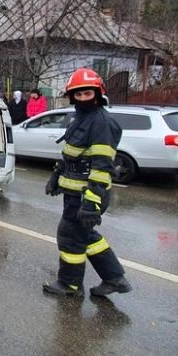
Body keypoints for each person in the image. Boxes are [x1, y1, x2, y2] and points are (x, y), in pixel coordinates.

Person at [43, 68, 132, 298]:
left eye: (87, 94)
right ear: (72, 96)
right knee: (85, 235)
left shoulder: (102, 122)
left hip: (89, 194)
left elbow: (103, 167)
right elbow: (72, 153)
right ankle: (115, 279)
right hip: (75, 192)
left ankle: (69, 284)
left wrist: (91, 202)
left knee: (70, 236)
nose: (83, 98)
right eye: (78, 94)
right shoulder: (80, 118)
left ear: (97, 93)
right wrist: (56, 176)